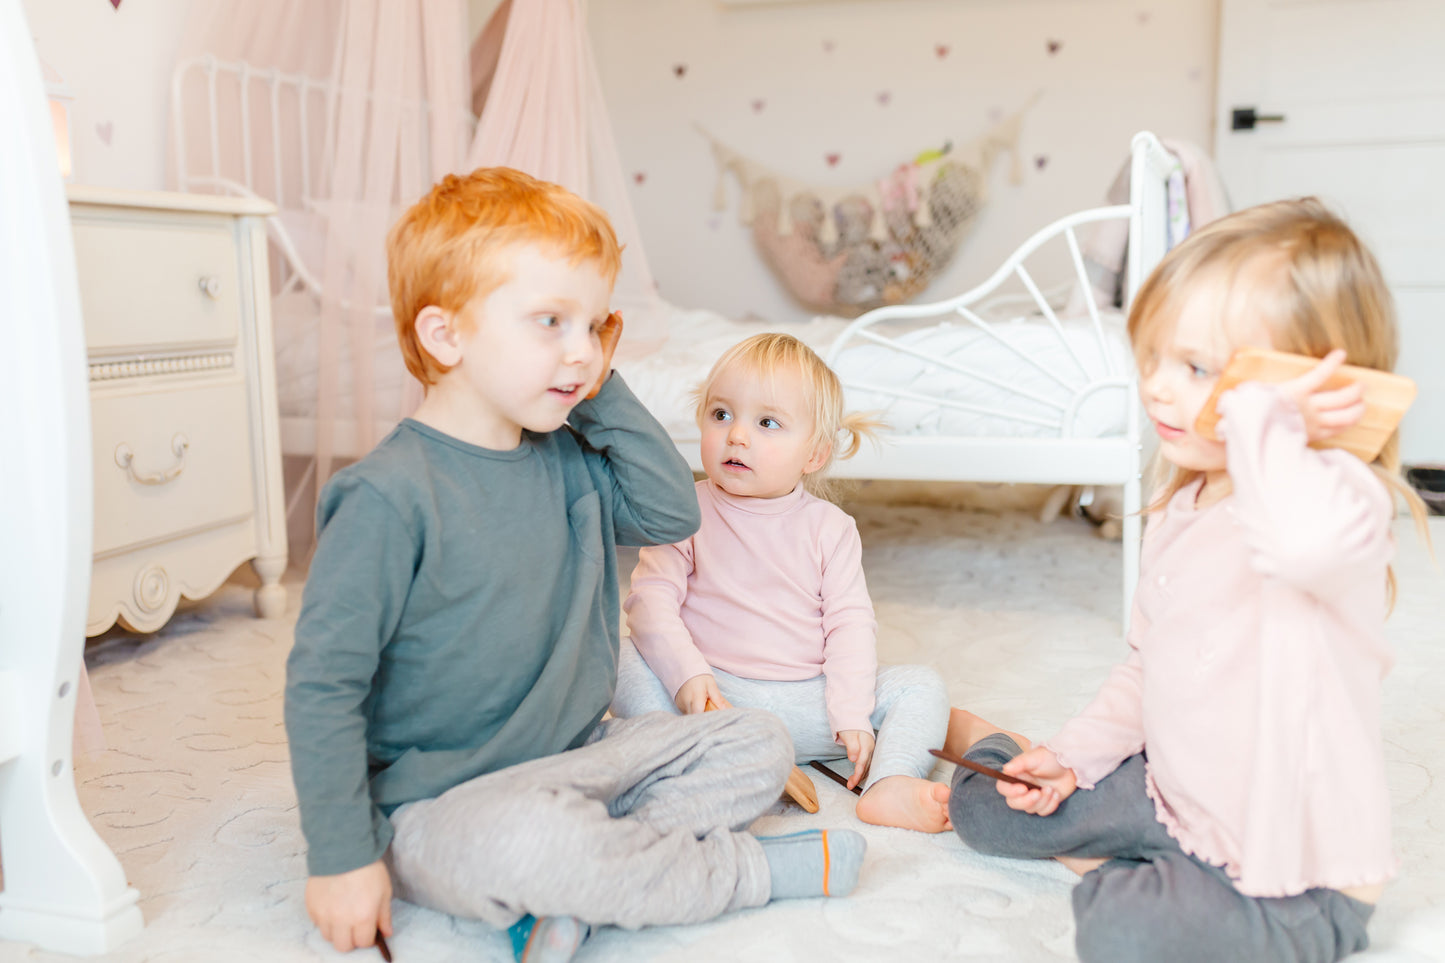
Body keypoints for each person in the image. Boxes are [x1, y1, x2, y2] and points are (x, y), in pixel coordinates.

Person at [284, 170, 867, 963]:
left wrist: (592, 387)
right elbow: (323, 686)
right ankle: (743, 870)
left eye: (594, 326)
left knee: (757, 741)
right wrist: (341, 856)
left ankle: (586, 889)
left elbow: (671, 511)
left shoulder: (570, 459)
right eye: (551, 322)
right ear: (446, 335)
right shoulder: (387, 496)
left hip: (585, 751)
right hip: (442, 801)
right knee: (532, 845)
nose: (582, 350)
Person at [947, 197, 1434, 963]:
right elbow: (1147, 666)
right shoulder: (1184, 505)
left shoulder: (1341, 500)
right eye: (1155, 358)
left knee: (1119, 930)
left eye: (1200, 369)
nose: (1160, 390)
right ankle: (1059, 793)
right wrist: (1071, 757)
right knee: (985, 805)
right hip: (1167, 791)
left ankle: (1137, 880)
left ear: (1296, 386)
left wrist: (1261, 427)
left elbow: (1296, 546)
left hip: (1286, 875)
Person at [612, 332, 1021, 834]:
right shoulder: (682, 509)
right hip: (709, 697)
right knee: (615, 654)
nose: (737, 435)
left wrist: (850, 712)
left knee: (920, 686)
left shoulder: (831, 528)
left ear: (814, 454)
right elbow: (649, 603)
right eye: (721, 415)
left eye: (767, 423)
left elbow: (849, 625)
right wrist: (688, 677)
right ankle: (694, 758)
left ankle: (889, 784)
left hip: (808, 703)